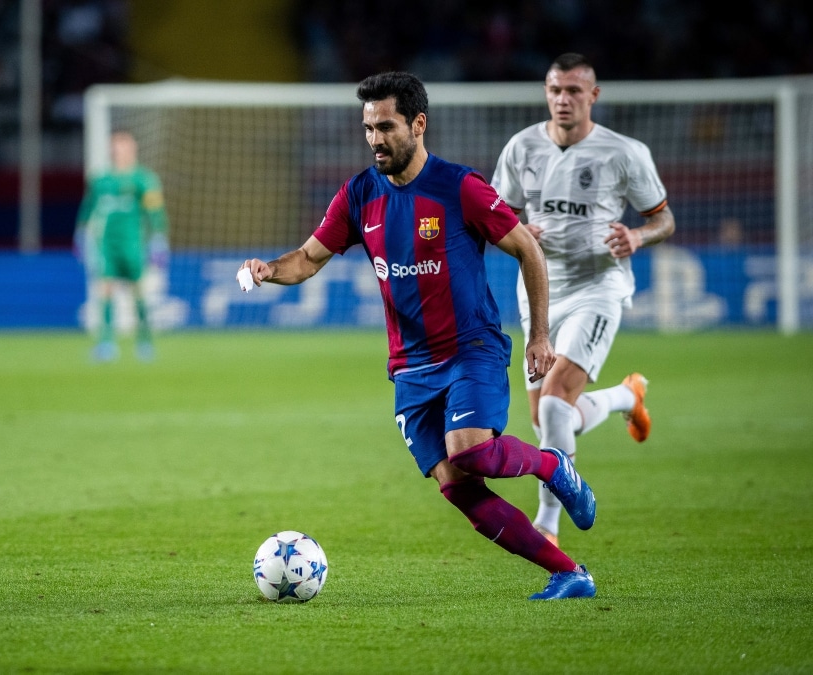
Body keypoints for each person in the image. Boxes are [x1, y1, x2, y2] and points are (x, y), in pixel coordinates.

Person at [238, 71, 598, 600]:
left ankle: (551, 464)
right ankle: (569, 573)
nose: (375, 139)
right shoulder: (359, 195)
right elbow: (309, 259)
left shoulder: (460, 188)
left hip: (470, 350)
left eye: (385, 126)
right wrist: (270, 269)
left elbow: (529, 250)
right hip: (410, 368)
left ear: (418, 124)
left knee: (471, 452)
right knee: (458, 487)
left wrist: (539, 335)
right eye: (368, 128)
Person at [491, 53, 676, 546]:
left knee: (553, 408)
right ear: (546, 93)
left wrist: (637, 238)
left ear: (593, 96)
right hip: (540, 289)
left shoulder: (623, 152)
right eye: (555, 90)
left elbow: (664, 219)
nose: (562, 99)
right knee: (545, 419)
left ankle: (547, 527)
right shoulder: (521, 147)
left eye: (574, 91)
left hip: (599, 286)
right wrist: (513, 230)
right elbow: (494, 215)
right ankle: (624, 396)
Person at [74, 130, 170, 362]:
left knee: (138, 289)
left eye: (124, 147)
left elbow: (155, 211)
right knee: (104, 288)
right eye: (116, 147)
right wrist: (80, 231)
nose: (119, 151)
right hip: (106, 243)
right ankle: (106, 342)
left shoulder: (144, 179)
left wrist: (159, 236)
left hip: (133, 242)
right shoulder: (101, 179)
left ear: (133, 149)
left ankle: (145, 340)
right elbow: (88, 207)